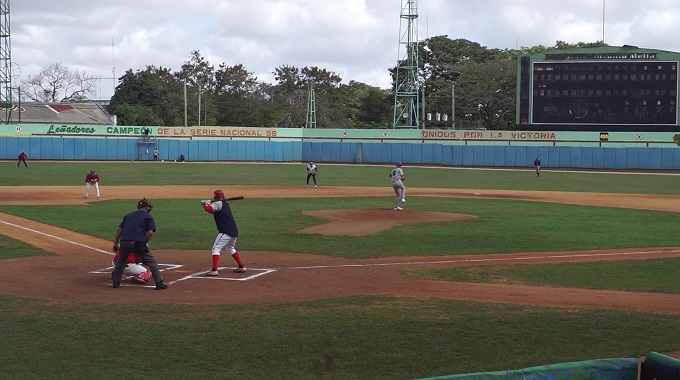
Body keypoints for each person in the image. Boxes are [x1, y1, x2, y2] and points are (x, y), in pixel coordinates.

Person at [111, 198, 168, 290]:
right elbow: (150, 232)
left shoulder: (128, 216)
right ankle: (159, 283)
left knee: (121, 260)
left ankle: (116, 282)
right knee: (151, 261)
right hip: (138, 242)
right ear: (146, 208)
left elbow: (119, 230)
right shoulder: (148, 217)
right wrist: (144, 243)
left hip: (124, 241)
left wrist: (115, 243)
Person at [201, 189, 247, 276]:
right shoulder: (224, 204)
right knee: (230, 249)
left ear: (215, 197)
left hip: (225, 232)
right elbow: (211, 211)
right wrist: (205, 205)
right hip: (233, 231)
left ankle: (214, 270)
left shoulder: (218, 204)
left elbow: (208, 208)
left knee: (216, 249)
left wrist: (206, 204)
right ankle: (241, 267)